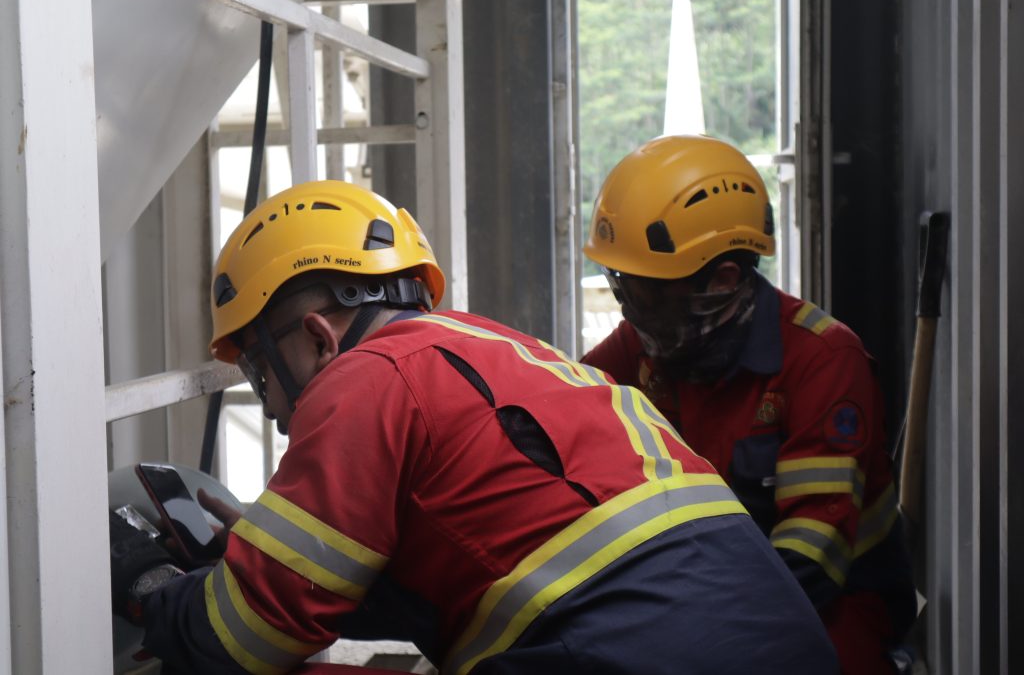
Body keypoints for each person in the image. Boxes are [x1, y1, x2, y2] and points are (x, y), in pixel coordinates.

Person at [109, 179, 838, 674]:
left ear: (317, 337)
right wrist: (271, 559)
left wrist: (154, 588)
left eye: (259, 368)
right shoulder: (506, 351)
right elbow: (468, 573)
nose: (269, 403)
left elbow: (249, 636)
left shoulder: (364, 380)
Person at [581, 135, 917, 674]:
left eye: (643, 291)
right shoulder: (650, 341)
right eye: (621, 285)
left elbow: (811, 559)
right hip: (692, 589)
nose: (628, 310)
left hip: (831, 601)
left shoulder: (823, 361)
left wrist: (687, 636)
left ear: (723, 281)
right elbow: (568, 411)